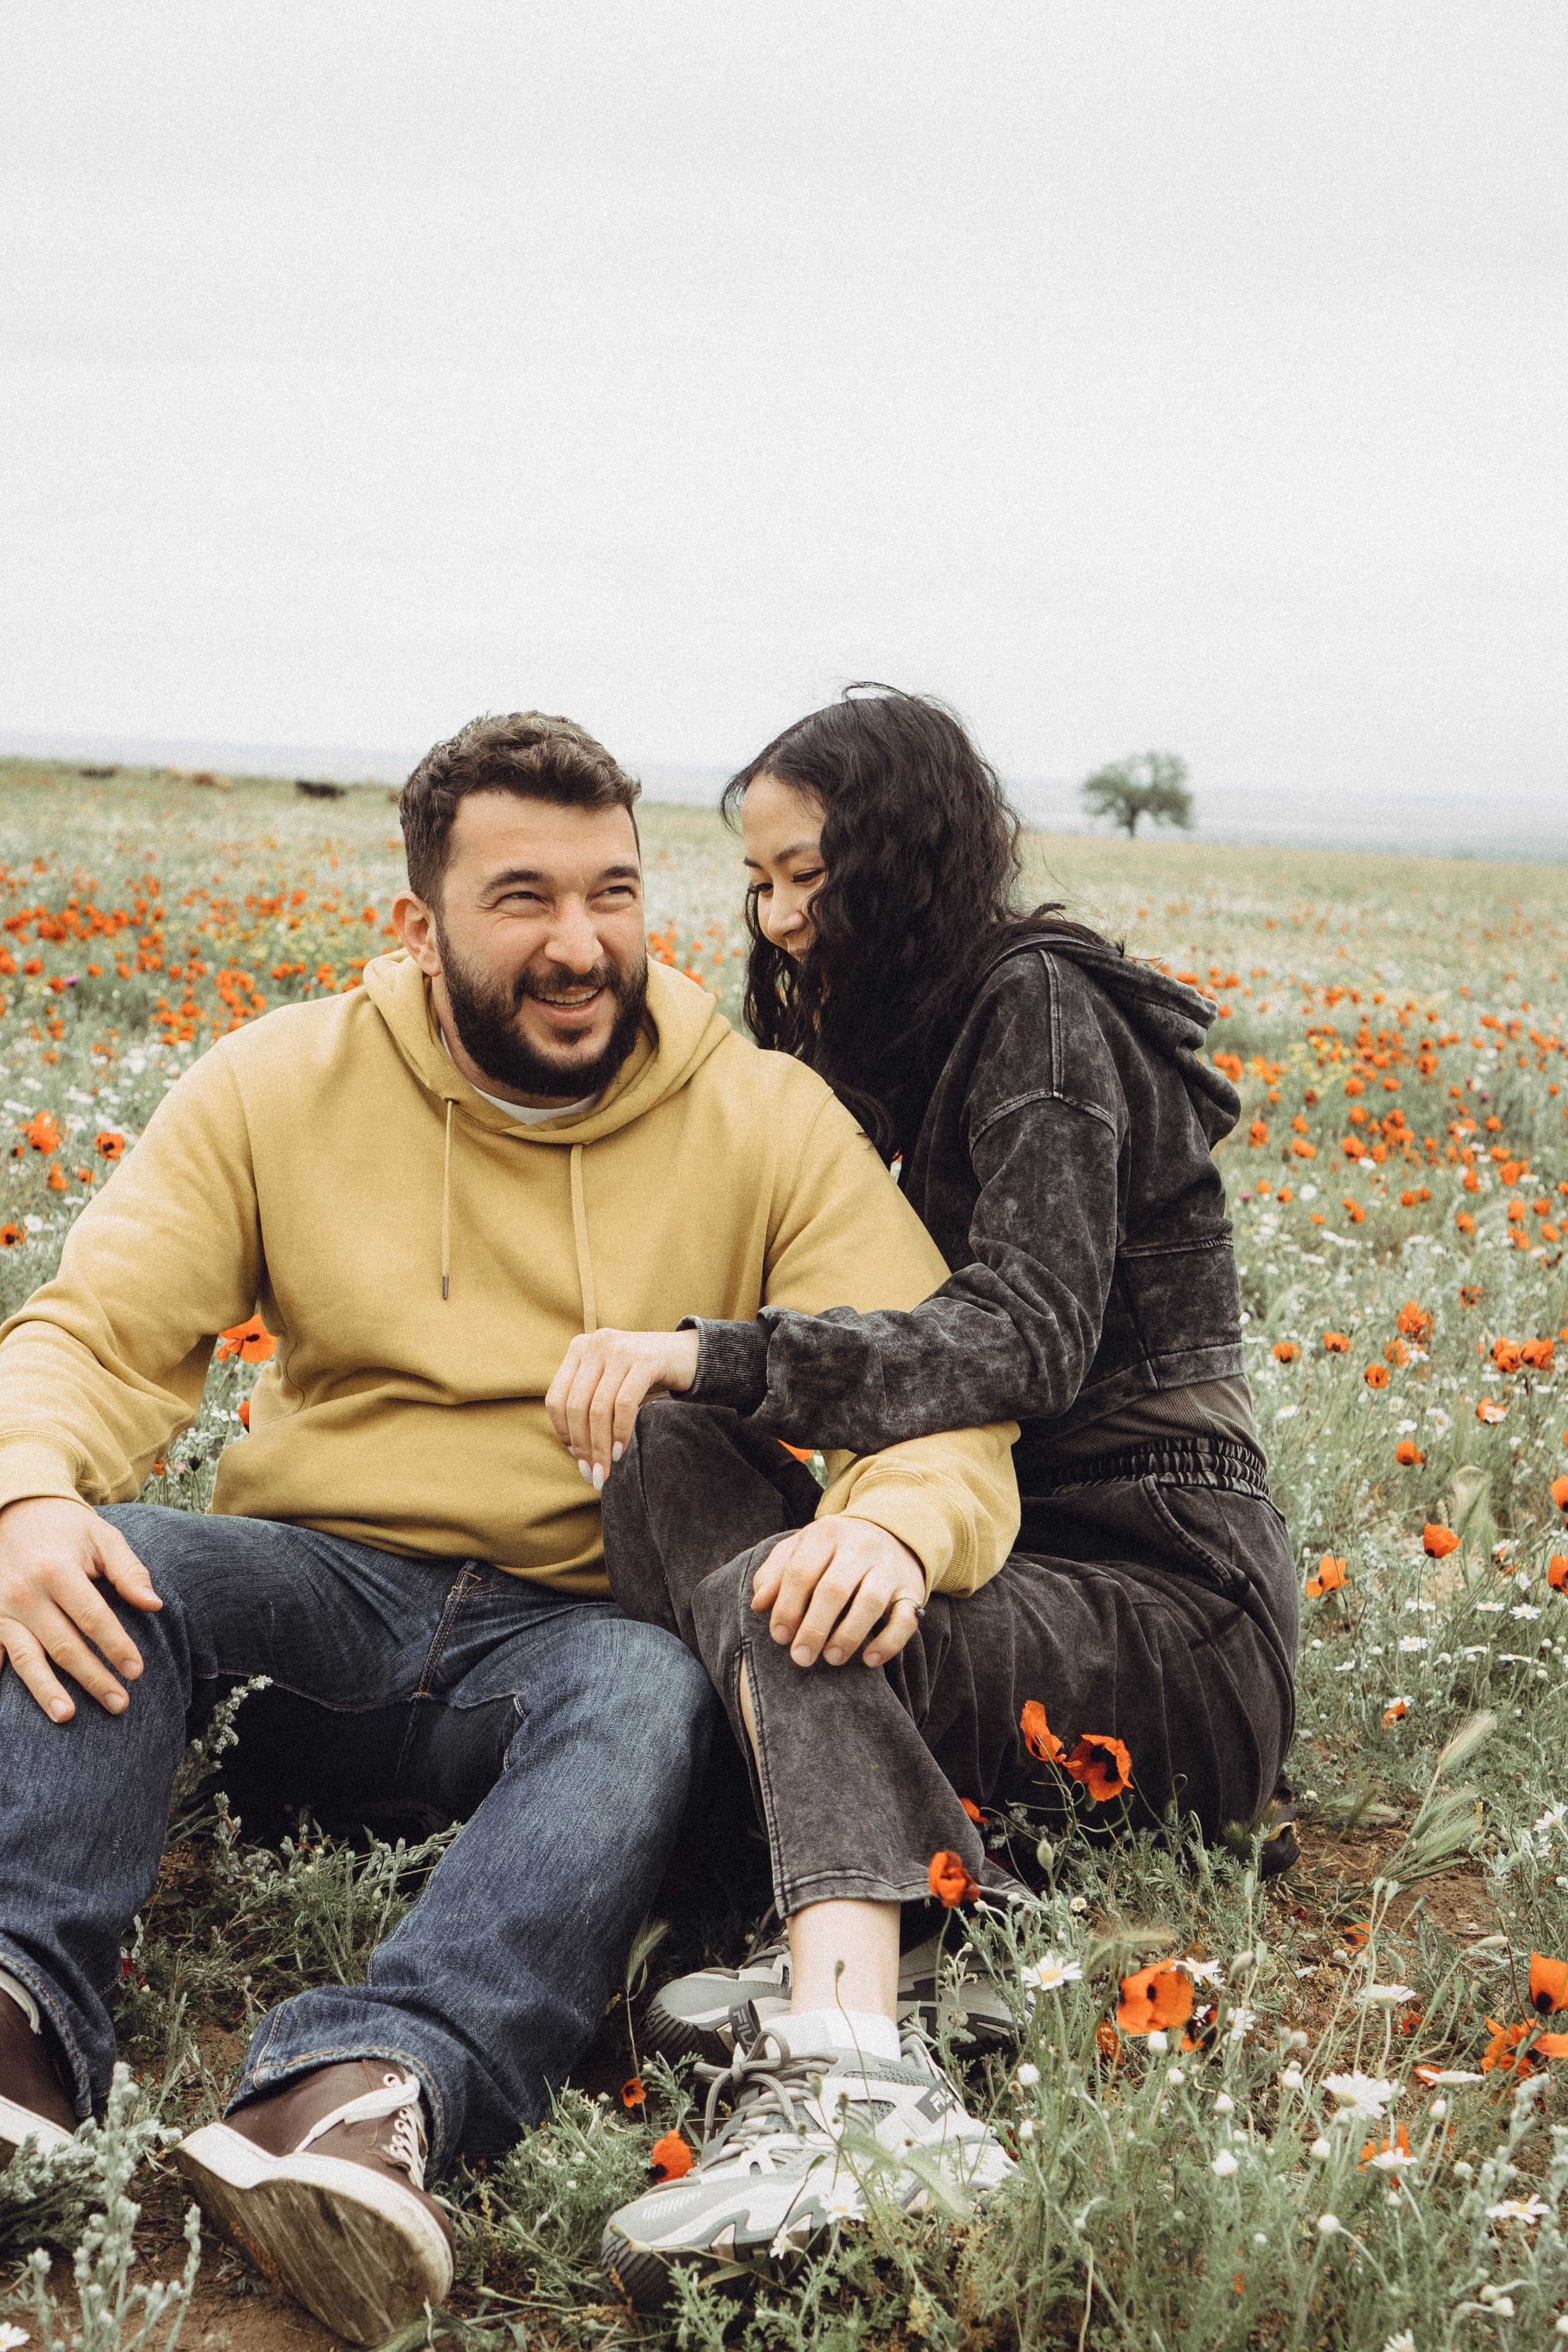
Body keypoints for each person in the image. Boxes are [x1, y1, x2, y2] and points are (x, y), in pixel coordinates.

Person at [0, 711, 1020, 2346]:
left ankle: (359, 2091)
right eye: (523, 898)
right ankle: (20, 2031)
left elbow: (938, 1383)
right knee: (110, 1559)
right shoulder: (281, 1081)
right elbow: (97, 1337)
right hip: (316, 1597)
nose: (580, 944)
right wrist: (27, 1491)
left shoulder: (760, 1119)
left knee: (652, 1696)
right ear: (418, 926)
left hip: (575, 1634)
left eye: (612, 893)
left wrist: (897, 1529)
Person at [548, 689, 1298, 2303]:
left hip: (1161, 1593)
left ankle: (855, 2087)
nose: (784, 920)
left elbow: (1026, 1331)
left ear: (910, 853)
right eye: (760, 883)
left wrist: (734, 1362)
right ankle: (911, 1944)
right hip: (1010, 1581)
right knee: (669, 1452)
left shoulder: (1032, 1007)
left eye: (813, 876)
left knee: (803, 1595)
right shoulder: (864, 1046)